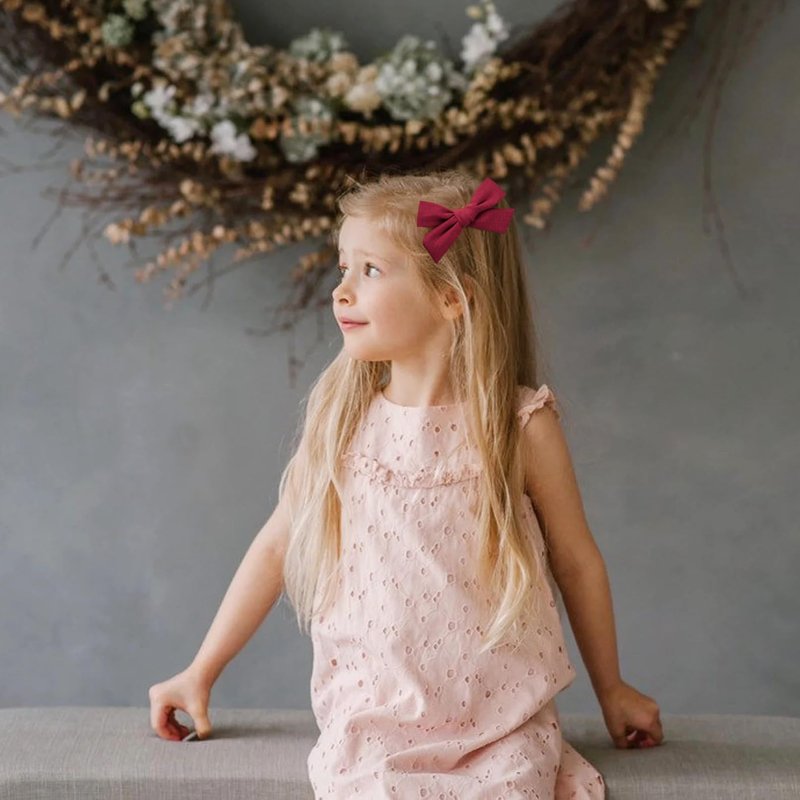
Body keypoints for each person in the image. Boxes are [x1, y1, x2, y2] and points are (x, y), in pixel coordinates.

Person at [149, 169, 663, 798]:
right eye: (344, 267)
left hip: (499, 714)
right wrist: (201, 671)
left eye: (370, 270)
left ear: (451, 299)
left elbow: (577, 561)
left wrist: (612, 688)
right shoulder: (344, 421)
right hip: (374, 712)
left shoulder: (518, 426)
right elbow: (278, 545)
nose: (341, 290)